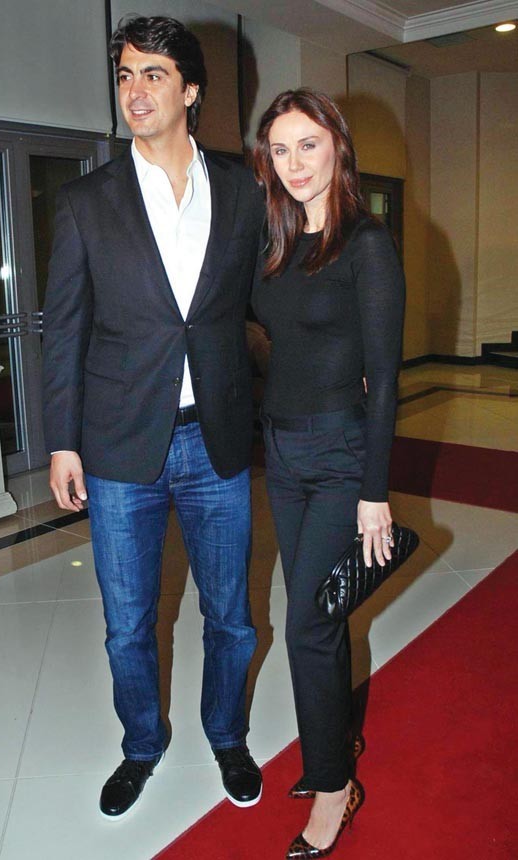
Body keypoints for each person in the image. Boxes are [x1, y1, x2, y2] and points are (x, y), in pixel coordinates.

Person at [42, 16, 264, 819]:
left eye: (154, 74)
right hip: (115, 446)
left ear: (191, 90)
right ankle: (142, 745)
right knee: (128, 624)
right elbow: (63, 329)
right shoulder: (85, 202)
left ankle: (227, 734)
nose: (134, 92)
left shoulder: (242, 190)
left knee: (231, 616)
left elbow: (264, 299)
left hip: (217, 438)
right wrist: (62, 442)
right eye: (125, 75)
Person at [251, 89, 405, 859]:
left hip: (342, 454)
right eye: (280, 150)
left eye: (307, 144)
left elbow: (387, 378)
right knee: (321, 615)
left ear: (337, 145)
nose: (295, 163)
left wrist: (375, 493)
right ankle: (331, 748)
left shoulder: (366, 244)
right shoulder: (275, 241)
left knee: (307, 625)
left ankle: (334, 787)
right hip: (281, 453)